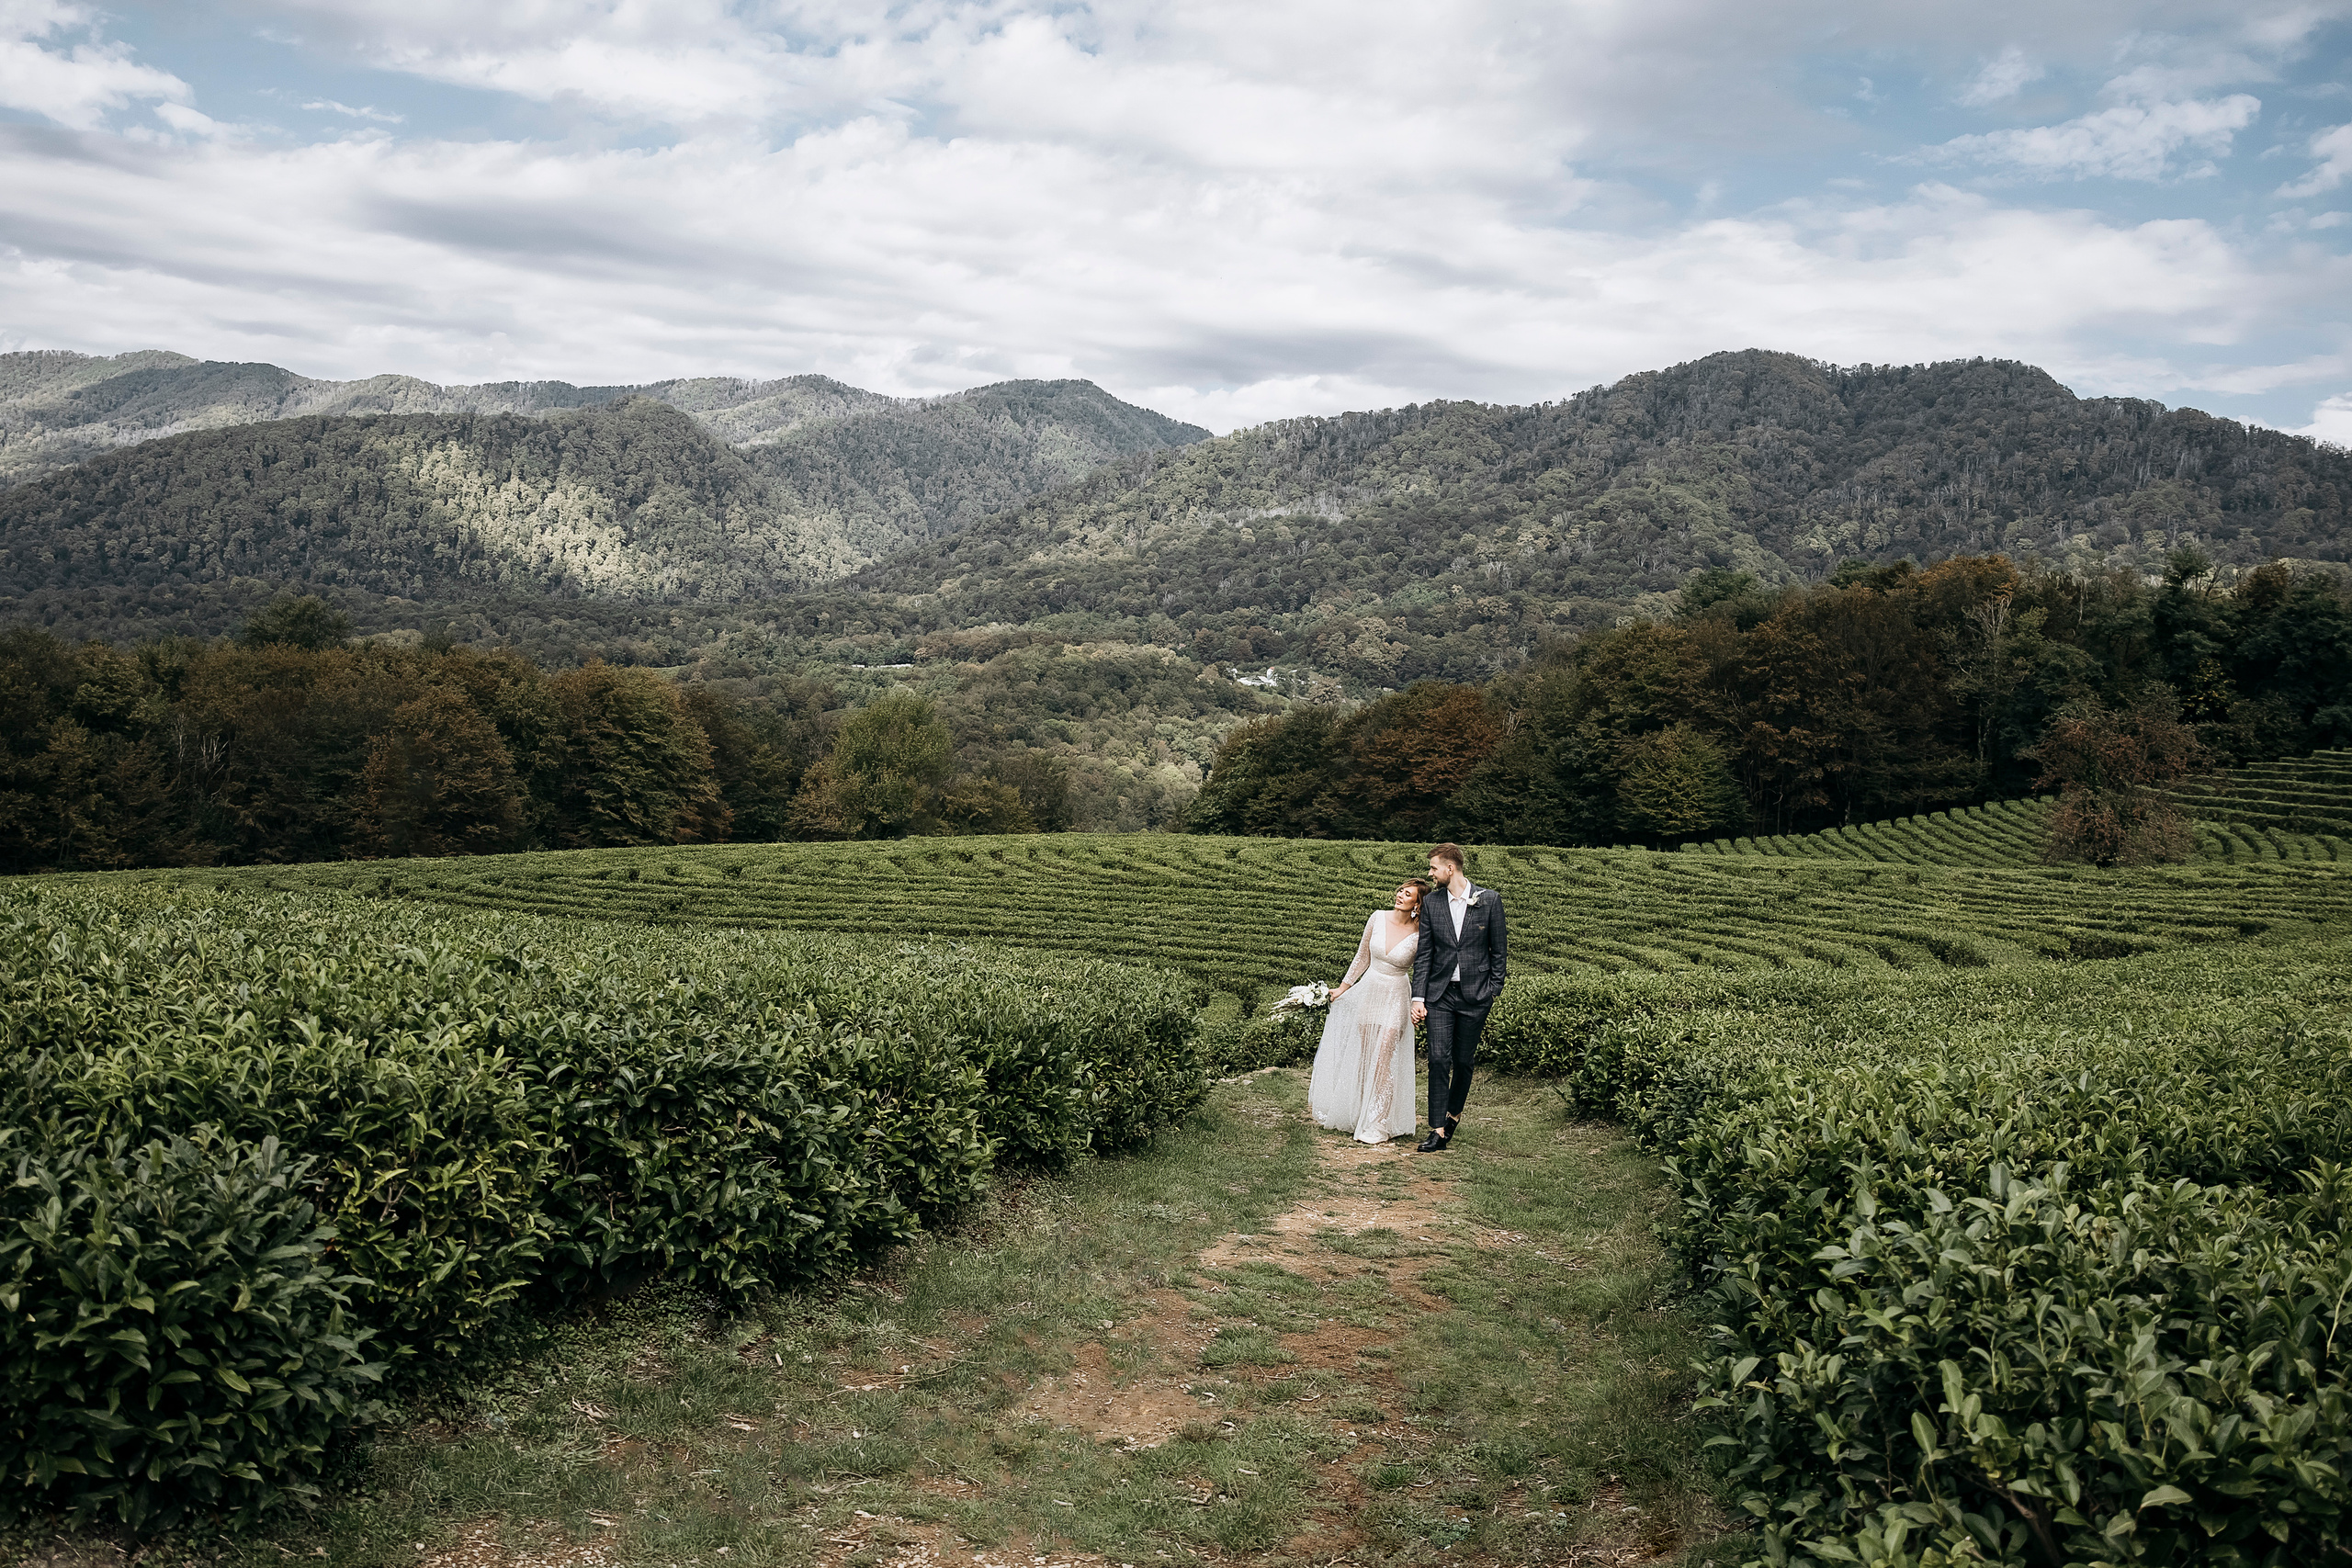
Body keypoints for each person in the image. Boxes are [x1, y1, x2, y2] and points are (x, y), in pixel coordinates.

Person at [1307, 879, 1426, 1145]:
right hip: (1369, 991)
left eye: (1407, 894)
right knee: (1364, 1056)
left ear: (1416, 904)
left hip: (1396, 995)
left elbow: (1424, 972)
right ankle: (1360, 1112)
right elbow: (1362, 957)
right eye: (1400, 890)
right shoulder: (1377, 917)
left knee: (1385, 1057)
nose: (1400, 895)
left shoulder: (1422, 934)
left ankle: (1378, 1123)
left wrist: (1419, 1002)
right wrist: (1343, 988)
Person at [1410, 841, 1507, 1153]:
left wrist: (1492, 990)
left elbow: (1499, 952)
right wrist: (1418, 997)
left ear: (1450, 869)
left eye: (1434, 868)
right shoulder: (1433, 904)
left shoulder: (1489, 900)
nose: (1430, 873)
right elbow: (1424, 954)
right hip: (1440, 995)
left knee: (1463, 1061)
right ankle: (1437, 1129)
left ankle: (1454, 1114)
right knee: (1438, 1059)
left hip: (1475, 996)